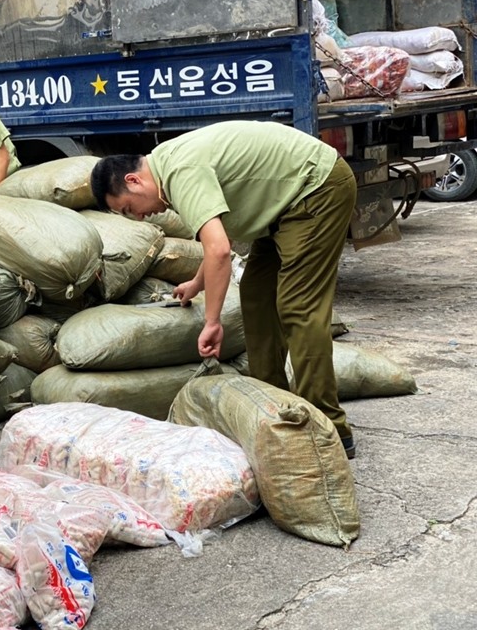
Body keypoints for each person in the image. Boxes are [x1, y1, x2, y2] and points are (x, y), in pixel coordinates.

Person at [90, 120, 358, 459]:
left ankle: (328, 429)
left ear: (134, 180)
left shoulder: (178, 171)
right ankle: (273, 407)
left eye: (130, 208)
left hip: (317, 189)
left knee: (298, 306)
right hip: (282, 208)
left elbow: (218, 250)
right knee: (257, 296)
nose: (140, 218)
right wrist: (198, 282)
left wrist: (212, 321)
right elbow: (218, 239)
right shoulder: (169, 166)